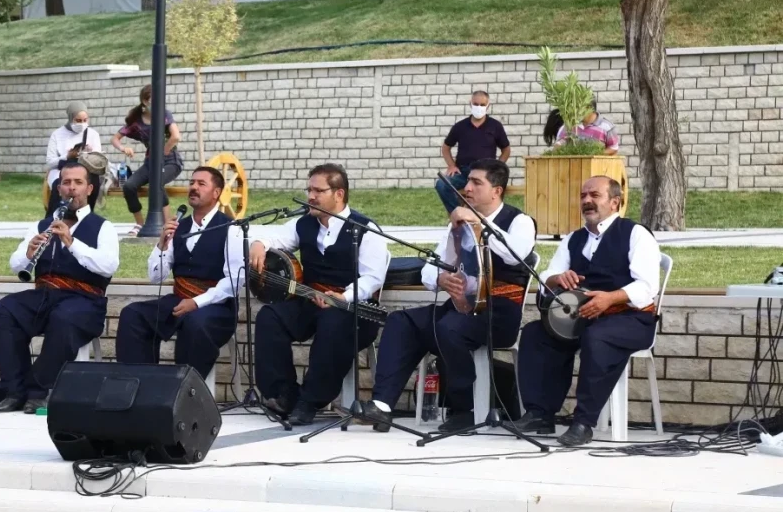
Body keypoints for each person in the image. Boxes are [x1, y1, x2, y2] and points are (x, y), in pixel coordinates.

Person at [360, 159, 536, 433]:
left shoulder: (519, 221)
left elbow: (517, 254)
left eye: (477, 183)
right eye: (467, 182)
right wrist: (441, 278)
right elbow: (431, 267)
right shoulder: (458, 222)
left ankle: (463, 410)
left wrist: (480, 223)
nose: (467, 188)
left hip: (498, 312)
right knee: (401, 321)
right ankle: (382, 406)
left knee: (449, 328)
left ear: (496, 191)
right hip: (459, 307)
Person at [509, 176, 660, 447]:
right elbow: (548, 277)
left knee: (598, 337)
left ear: (615, 202)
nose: (587, 200)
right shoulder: (574, 238)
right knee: (534, 333)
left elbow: (647, 286)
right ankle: (539, 414)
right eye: (583, 195)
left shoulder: (636, 234)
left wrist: (610, 298)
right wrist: (557, 279)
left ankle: (583, 423)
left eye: (595, 195)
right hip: (580, 318)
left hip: (629, 318)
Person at [249, 163, 391, 426]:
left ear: (339, 194)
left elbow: (373, 278)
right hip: (311, 301)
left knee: (332, 322)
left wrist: (343, 298)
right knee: (271, 316)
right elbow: (275, 238)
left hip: (354, 310)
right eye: (309, 189)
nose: (310, 196)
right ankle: (283, 394)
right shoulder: (304, 223)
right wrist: (259, 244)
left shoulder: (365, 229)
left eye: (318, 190)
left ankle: (310, 400)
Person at [0, 162, 120, 414]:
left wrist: (71, 242)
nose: (72, 189)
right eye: (66, 183)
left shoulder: (103, 227)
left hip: (85, 300)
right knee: (2, 312)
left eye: (77, 183)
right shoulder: (41, 225)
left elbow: (108, 266)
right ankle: (14, 391)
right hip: (45, 295)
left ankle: (37, 390)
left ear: (89, 189)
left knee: (64, 317)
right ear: (59, 188)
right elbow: (16, 266)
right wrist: (28, 253)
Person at [115, 167, 243, 380]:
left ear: (216, 193)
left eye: (201, 184)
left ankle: (184, 391)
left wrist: (197, 302)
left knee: (195, 323)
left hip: (216, 307)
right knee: (133, 315)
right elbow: (156, 277)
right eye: (192, 182)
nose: (193, 187)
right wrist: (162, 244)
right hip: (179, 299)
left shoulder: (232, 228)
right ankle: (139, 386)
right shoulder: (179, 226)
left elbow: (235, 280)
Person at [111, 84, 183, 236]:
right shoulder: (137, 121)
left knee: (156, 183)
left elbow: (176, 136)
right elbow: (115, 139)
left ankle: (167, 225)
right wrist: (124, 148)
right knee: (129, 186)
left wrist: (165, 150)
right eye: (153, 100)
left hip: (170, 161)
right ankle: (139, 224)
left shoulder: (165, 114)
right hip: (150, 163)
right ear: (145, 101)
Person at [437, 90, 511, 214]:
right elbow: (446, 147)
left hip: (485, 173)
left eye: (482, 105)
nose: (479, 107)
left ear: (488, 106)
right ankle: (459, 214)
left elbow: (506, 149)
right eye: (476, 104)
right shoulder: (460, 126)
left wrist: (498, 166)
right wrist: (451, 165)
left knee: (492, 190)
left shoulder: (495, 126)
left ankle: (486, 217)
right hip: (463, 172)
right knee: (442, 184)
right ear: (470, 104)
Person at [46, 102, 103, 214]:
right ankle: (55, 217)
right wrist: (67, 156)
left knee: (94, 181)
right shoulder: (57, 134)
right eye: (78, 120)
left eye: (85, 120)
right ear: (71, 118)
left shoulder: (93, 134)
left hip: (84, 169)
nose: (82, 124)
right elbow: (50, 162)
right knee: (60, 183)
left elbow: (98, 160)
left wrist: (89, 154)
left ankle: (87, 214)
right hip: (61, 170)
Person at [552, 94, 620, 155]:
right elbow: (560, 143)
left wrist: (594, 154)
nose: (575, 111)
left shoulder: (606, 127)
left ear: (589, 108)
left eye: (579, 107)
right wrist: (558, 147)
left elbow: (614, 148)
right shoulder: (570, 125)